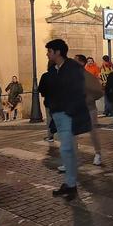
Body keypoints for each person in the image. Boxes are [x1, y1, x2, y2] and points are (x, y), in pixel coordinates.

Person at [42, 39, 90, 201]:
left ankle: (71, 185)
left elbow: (78, 91)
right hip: (60, 114)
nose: (47, 54)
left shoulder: (71, 68)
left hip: (68, 115)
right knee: (66, 150)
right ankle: (70, 184)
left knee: (67, 150)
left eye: (49, 51)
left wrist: (68, 111)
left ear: (58, 52)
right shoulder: (56, 69)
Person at [74, 56, 104, 166]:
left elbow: (99, 91)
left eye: (75, 60)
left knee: (93, 132)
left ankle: (98, 153)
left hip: (89, 108)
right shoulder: (73, 77)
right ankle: (74, 156)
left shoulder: (88, 76)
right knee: (74, 133)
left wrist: (89, 98)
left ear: (81, 63)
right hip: (77, 109)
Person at [39, 61, 56, 142]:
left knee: (49, 119)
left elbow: (41, 88)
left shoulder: (45, 76)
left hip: (49, 101)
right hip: (61, 102)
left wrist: (44, 93)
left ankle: (50, 136)